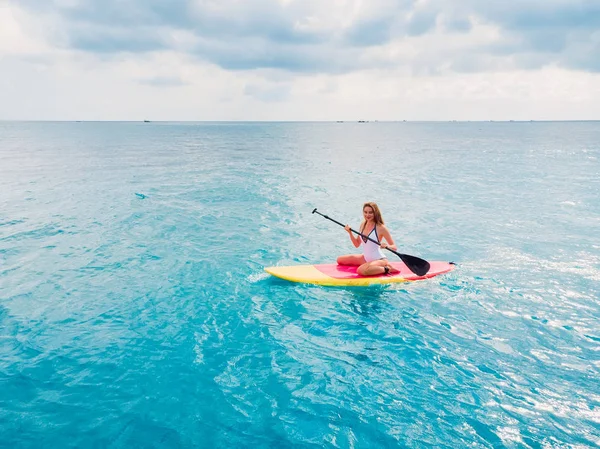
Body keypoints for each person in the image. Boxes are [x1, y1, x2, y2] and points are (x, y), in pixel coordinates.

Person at [337, 202, 401, 276]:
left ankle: (387, 268)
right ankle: (370, 266)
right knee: (340, 260)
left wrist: (387, 246)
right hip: (365, 258)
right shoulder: (363, 224)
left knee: (360, 270)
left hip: (379, 259)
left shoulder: (381, 228)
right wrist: (350, 233)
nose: (367, 215)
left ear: (375, 213)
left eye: (370, 212)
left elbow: (394, 247)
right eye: (365, 212)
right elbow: (357, 244)